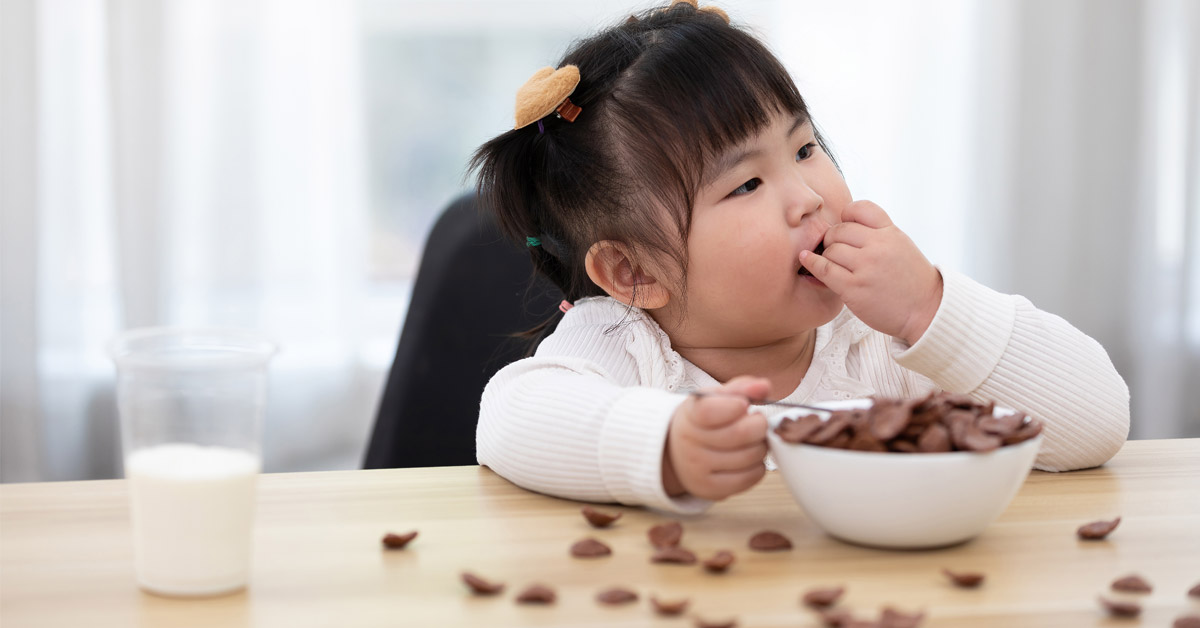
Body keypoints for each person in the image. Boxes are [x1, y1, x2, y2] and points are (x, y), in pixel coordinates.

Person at [469, 0, 1130, 514]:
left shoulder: (882, 338)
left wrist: (931, 307)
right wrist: (663, 445)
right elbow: (510, 420)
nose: (809, 196)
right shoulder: (625, 347)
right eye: (747, 184)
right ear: (637, 273)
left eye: (806, 149)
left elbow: (1097, 422)